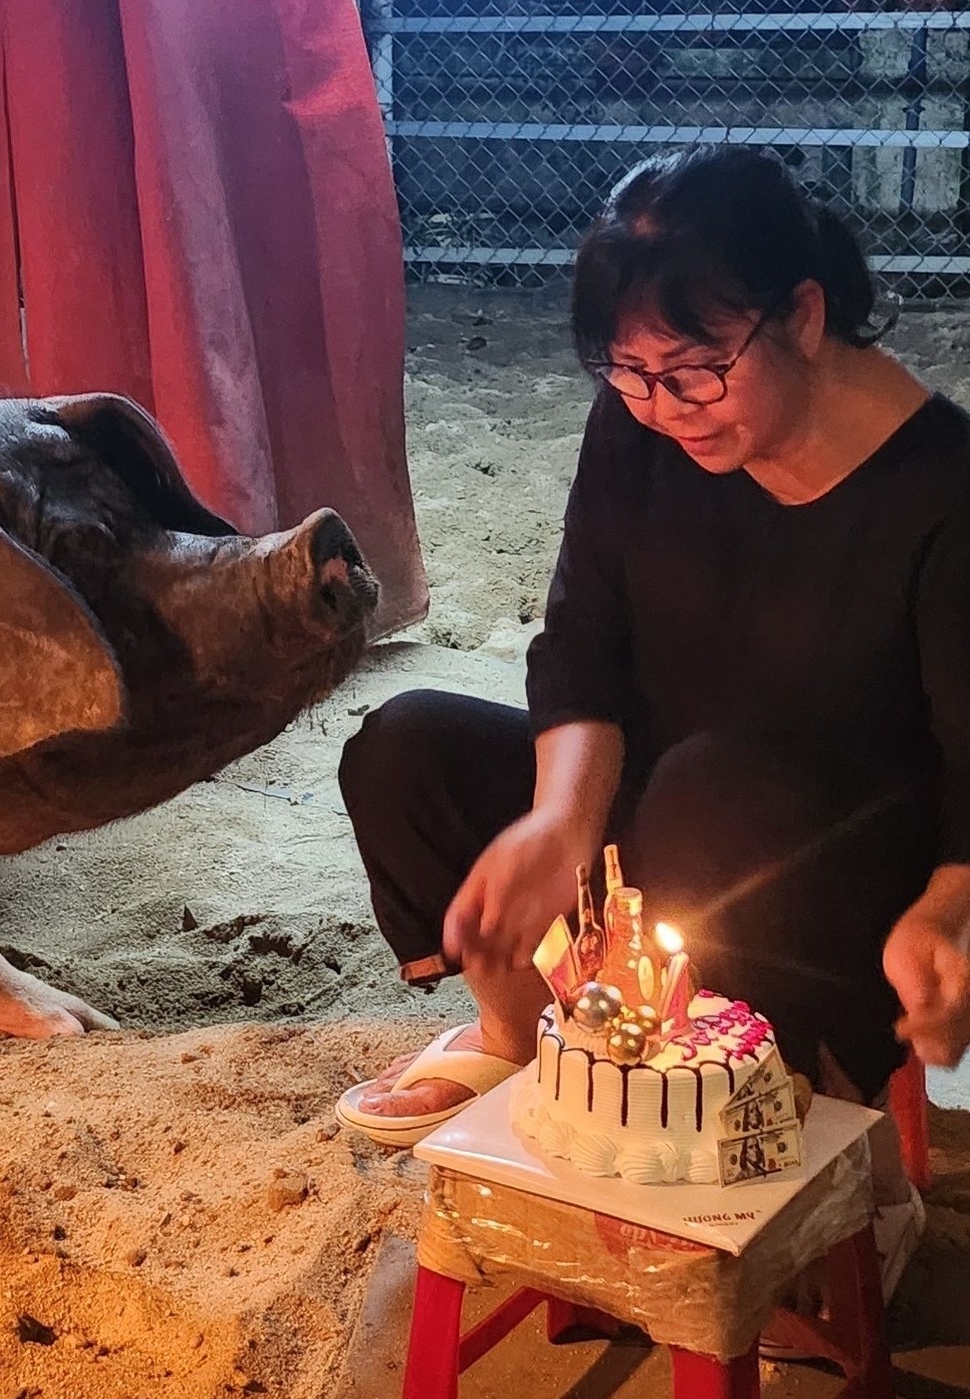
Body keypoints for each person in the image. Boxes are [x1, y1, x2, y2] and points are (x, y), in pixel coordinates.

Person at [336, 147, 970, 1269]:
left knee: (712, 792)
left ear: (803, 314)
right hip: (663, 832)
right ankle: (523, 1045)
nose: (664, 409)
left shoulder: (943, 493)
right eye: (628, 374)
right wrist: (558, 823)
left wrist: (949, 912)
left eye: (695, 371)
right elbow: (581, 643)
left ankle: (830, 1148)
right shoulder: (642, 425)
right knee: (405, 748)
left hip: (829, 876)